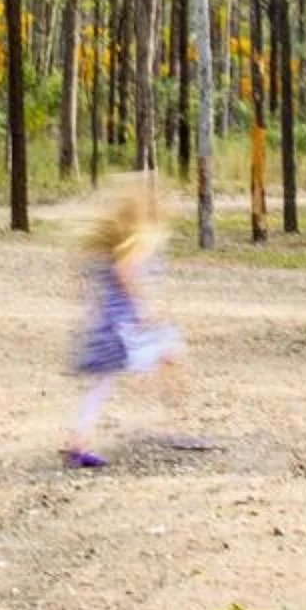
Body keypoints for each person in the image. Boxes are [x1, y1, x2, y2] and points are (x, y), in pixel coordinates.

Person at [64, 187, 187, 469]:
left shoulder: (116, 241)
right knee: (171, 350)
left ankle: (78, 442)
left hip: (112, 324)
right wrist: (146, 305)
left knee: (102, 383)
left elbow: (97, 273)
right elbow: (126, 271)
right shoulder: (140, 239)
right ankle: (173, 412)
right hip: (129, 326)